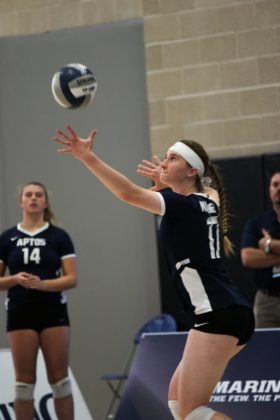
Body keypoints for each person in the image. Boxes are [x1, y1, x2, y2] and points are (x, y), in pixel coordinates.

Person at [53, 126, 255, 420]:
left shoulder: (179, 205)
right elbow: (207, 186)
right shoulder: (208, 200)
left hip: (216, 312)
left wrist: (88, 157)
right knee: (176, 403)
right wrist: (166, 182)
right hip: (230, 312)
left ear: (191, 172)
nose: (163, 162)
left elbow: (127, 193)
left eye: (172, 158)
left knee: (192, 412)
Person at [0, 181, 77, 420]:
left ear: (45, 202)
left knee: (60, 380)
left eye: (38, 195)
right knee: (24, 383)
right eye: (28, 195)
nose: (33, 198)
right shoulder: (8, 238)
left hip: (53, 311)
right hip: (20, 311)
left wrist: (42, 284)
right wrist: (15, 279)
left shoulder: (59, 236)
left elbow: (72, 279)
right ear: (21, 201)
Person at [241, 171, 280, 328]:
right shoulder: (258, 223)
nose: (278, 188)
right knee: (264, 349)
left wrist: (270, 244)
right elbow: (248, 257)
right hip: (267, 303)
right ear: (270, 190)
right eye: (275, 185)